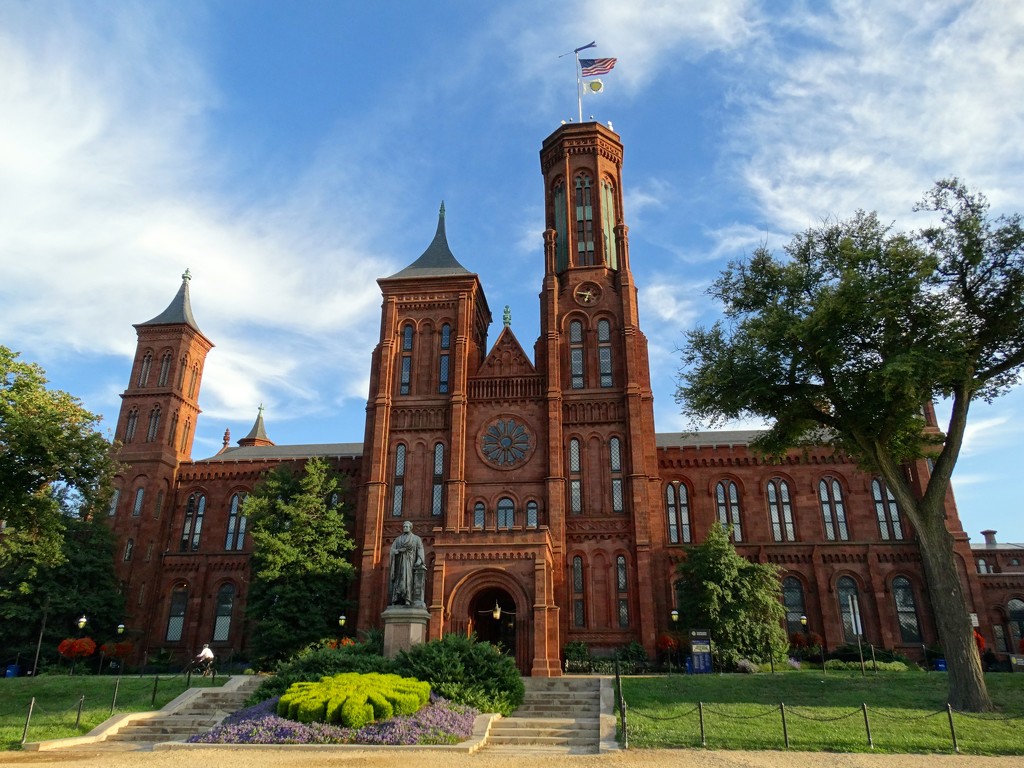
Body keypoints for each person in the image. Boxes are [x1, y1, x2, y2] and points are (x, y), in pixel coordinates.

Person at [389, 520, 425, 605]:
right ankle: (398, 599)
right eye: (404, 526)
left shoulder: (416, 539)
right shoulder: (398, 540)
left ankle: (408, 599)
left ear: (410, 528)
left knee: (407, 580)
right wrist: (398, 551)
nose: (405, 528)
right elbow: (392, 550)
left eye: (406, 526)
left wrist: (419, 560)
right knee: (399, 581)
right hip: (399, 564)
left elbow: (420, 549)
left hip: (410, 564)